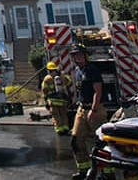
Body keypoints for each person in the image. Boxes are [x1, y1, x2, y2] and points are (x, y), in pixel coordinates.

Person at [70, 45, 105, 180]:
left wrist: (94, 109)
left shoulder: (92, 70)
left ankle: (106, 172)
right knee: (76, 140)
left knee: (100, 142)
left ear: (85, 55)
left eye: (80, 54)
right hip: (82, 109)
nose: (78, 57)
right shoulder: (78, 70)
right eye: (75, 55)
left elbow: (98, 91)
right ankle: (83, 169)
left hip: (95, 109)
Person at [41, 61, 74, 135]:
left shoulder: (47, 79)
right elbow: (69, 82)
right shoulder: (62, 77)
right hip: (62, 100)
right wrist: (63, 74)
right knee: (63, 114)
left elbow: (44, 90)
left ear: (48, 70)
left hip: (53, 101)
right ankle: (65, 128)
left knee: (56, 116)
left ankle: (59, 129)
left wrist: (46, 101)